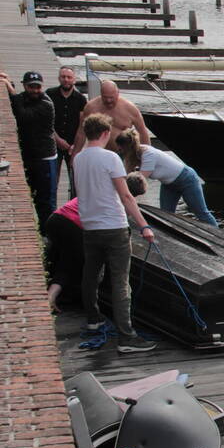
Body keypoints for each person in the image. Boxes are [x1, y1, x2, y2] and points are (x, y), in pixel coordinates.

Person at [75, 114, 157, 353]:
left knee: (91, 275)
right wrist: (143, 225)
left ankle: (93, 319)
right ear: (105, 133)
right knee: (121, 282)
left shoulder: (79, 159)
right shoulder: (110, 157)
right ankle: (126, 337)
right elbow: (126, 196)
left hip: (89, 226)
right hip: (113, 226)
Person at [45, 173, 148, 313]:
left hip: (56, 219)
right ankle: (55, 298)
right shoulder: (119, 203)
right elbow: (118, 232)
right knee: (76, 267)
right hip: (73, 226)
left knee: (60, 258)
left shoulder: (102, 188)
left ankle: (48, 291)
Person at [115, 128, 218, 227]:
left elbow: (139, 182)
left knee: (201, 213)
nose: (118, 150)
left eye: (120, 148)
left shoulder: (148, 154)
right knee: (166, 215)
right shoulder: (133, 156)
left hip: (187, 179)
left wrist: (126, 201)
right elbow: (125, 177)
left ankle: (218, 237)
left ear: (128, 147)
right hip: (168, 184)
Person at [0, 70, 58, 229]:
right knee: (29, 194)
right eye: (31, 87)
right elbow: (17, 102)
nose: (35, 90)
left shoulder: (46, 105)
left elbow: (22, 115)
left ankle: (48, 234)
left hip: (44, 158)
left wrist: (11, 91)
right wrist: (8, 83)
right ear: (25, 86)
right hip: (30, 155)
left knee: (46, 201)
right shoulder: (25, 97)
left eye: (37, 87)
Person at [72, 80, 150, 154]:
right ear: (101, 94)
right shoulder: (91, 107)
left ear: (118, 93)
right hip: (99, 153)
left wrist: (147, 155)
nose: (108, 100)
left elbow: (143, 132)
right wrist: (75, 154)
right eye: (105, 97)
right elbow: (81, 132)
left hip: (124, 154)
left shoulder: (130, 109)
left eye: (111, 97)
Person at [46, 66, 87, 199]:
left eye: (69, 77)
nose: (66, 80)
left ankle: (73, 209)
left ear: (74, 80)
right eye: (63, 77)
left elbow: (82, 125)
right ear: (59, 78)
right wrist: (58, 140)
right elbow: (46, 121)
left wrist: (76, 146)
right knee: (52, 178)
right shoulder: (49, 94)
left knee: (75, 180)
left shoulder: (80, 99)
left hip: (73, 145)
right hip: (53, 142)